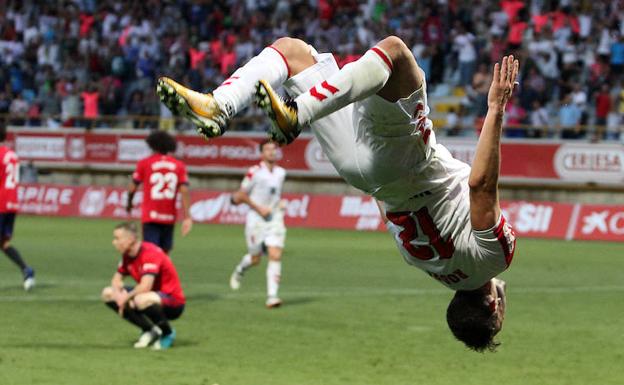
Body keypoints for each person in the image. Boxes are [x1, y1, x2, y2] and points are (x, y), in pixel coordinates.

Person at [156, 36, 518, 352]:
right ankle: (219, 105)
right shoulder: (428, 264)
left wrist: (496, 107)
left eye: (502, 313)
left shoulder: (495, 259)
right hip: (363, 174)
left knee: (394, 54)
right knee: (293, 53)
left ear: (492, 306)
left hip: (405, 162)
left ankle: (282, 113)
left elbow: (481, 186)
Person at [101, 222, 185, 350]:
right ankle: (150, 330)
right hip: (149, 296)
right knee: (108, 294)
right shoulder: (127, 255)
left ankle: (167, 333)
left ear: (130, 239)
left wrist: (125, 298)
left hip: (172, 300)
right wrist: (118, 294)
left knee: (140, 299)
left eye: (117, 238)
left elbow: (145, 286)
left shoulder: (150, 252)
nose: (114, 242)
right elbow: (116, 279)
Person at [229, 140, 286, 309]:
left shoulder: (281, 173)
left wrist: (280, 203)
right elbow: (241, 194)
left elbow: (275, 194)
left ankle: (272, 296)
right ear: (261, 154)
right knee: (255, 259)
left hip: (275, 219)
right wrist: (258, 207)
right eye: (267, 149)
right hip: (256, 219)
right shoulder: (254, 172)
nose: (271, 152)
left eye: (273, 149)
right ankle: (240, 269)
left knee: (275, 254)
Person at [126, 130, 192, 253]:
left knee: (151, 254)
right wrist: (187, 217)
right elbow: (184, 190)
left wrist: (129, 203)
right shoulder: (179, 165)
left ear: (152, 145)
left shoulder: (144, 163)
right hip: (169, 217)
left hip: (150, 216)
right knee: (164, 255)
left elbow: (132, 188)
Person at [0, 124, 35, 291]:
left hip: (0, 202)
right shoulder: (12, 154)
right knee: (4, 243)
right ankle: (26, 270)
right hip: (12, 202)